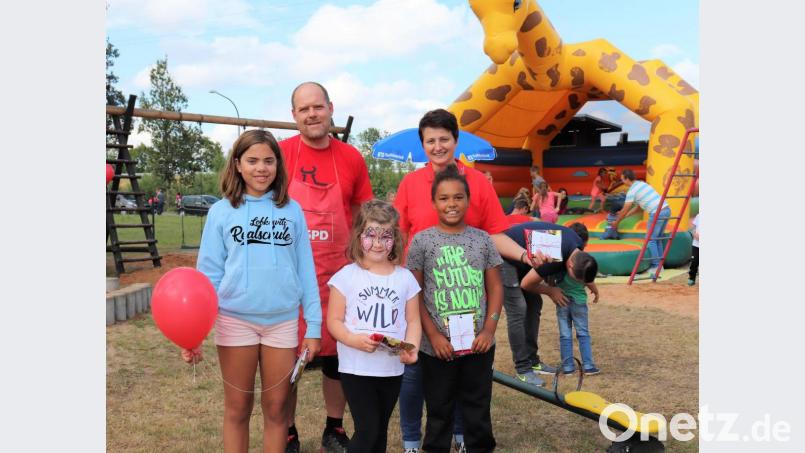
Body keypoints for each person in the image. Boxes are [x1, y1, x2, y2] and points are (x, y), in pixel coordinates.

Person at [394, 109, 543, 452]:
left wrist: (524, 256)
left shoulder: (478, 183)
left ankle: (463, 439)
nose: (437, 146)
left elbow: (494, 235)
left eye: (444, 139)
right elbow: (400, 237)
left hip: (467, 299)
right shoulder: (410, 184)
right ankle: (413, 441)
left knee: (466, 373)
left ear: (455, 141)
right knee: (417, 371)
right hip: (422, 297)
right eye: (430, 140)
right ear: (422, 145)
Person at [185, 129, 321, 453]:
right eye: (253, 160)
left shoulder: (292, 211)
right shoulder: (221, 211)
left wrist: (313, 327)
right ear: (237, 164)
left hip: (282, 323)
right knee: (237, 409)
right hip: (235, 321)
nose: (261, 168)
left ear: (278, 166)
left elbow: (306, 272)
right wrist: (195, 333)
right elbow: (208, 276)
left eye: (269, 161)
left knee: (277, 411)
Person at [279, 82, 374, 453]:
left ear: (330, 108)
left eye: (317, 107)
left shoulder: (351, 157)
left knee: (338, 358)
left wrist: (367, 263)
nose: (312, 114)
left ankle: (334, 429)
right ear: (294, 116)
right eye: (304, 109)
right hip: (289, 277)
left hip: (338, 274)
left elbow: (361, 214)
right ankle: (286, 431)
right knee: (286, 358)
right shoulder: (280, 153)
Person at [406, 166, 503, 453]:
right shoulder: (422, 241)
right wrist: (434, 335)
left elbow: (496, 288)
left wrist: (488, 329)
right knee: (439, 409)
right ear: (434, 202)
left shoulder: (482, 239)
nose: (451, 204)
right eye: (444, 198)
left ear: (468, 200)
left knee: (477, 408)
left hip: (478, 345)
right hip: (437, 347)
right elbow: (415, 293)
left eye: (458, 197)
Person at [326, 200, 421, 453]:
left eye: (385, 236)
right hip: (356, 369)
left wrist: (411, 347)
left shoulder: (405, 278)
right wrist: (353, 339)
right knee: (367, 430)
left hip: (391, 370)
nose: (378, 243)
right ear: (359, 236)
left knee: (379, 432)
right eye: (371, 235)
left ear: (395, 239)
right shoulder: (346, 276)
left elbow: (413, 320)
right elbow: (333, 321)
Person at [501, 221, 597, 385]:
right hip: (505, 256)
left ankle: (533, 360)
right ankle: (523, 369)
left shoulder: (577, 248)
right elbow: (526, 284)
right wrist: (551, 291)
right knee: (518, 308)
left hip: (525, 259)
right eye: (576, 279)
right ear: (570, 264)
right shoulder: (554, 256)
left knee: (534, 304)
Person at [522, 223, 601, 375]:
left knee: (565, 334)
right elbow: (589, 280)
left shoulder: (561, 262)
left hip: (562, 300)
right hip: (578, 301)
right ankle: (589, 365)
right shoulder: (582, 263)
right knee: (583, 332)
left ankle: (568, 367)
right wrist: (595, 291)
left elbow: (550, 280)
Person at [610, 169, 671, 279]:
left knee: (651, 239)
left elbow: (625, 208)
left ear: (627, 179)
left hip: (657, 212)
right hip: (666, 210)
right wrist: (626, 215)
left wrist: (617, 222)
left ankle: (656, 266)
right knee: (658, 239)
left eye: (622, 179)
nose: (622, 181)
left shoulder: (632, 191)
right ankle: (660, 265)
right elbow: (639, 207)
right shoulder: (641, 184)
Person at [688, 212, 699, 286]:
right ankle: (692, 278)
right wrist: (694, 234)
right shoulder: (699, 215)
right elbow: (692, 228)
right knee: (694, 262)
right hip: (696, 244)